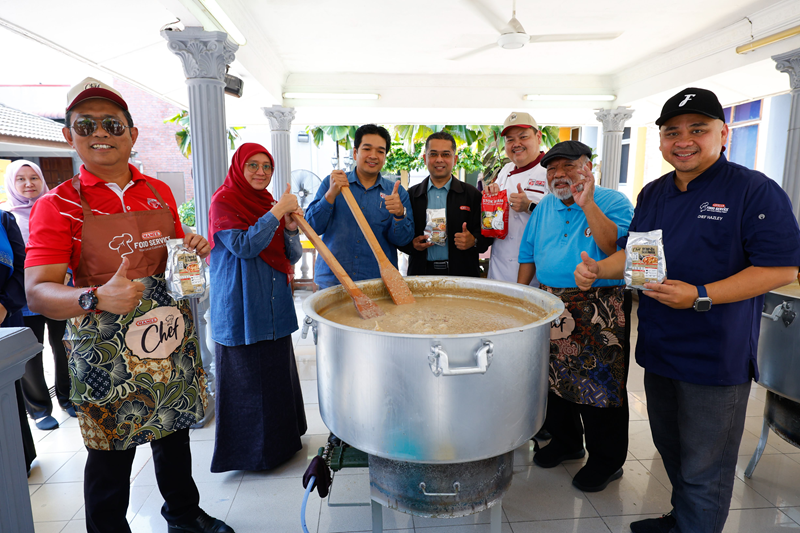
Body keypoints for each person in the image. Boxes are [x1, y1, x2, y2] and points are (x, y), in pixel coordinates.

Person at [574, 88, 800, 533]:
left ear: (723, 133)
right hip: (660, 349)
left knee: (705, 468)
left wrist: (701, 295)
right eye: (672, 131)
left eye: (698, 129)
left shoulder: (753, 190)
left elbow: (780, 268)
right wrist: (598, 269)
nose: (684, 141)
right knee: (672, 450)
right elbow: (637, 255)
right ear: (661, 139)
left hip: (714, 358)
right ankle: (681, 521)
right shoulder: (654, 192)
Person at [24, 78, 233, 533]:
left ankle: (183, 514)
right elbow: (38, 291)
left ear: (132, 134)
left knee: (174, 434)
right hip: (105, 350)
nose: (101, 132)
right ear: (69, 135)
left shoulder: (157, 191)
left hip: (166, 336)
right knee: (109, 455)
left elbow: (170, 252)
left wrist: (190, 246)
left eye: (113, 124)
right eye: (86, 124)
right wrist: (95, 296)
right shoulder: (57, 205)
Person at [517, 140, 634, 492]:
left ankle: (607, 461)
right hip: (549, 303)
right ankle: (568, 443)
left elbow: (616, 248)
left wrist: (588, 204)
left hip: (599, 304)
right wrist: (519, 298)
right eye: (552, 168)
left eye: (569, 166)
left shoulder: (614, 201)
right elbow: (528, 254)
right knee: (555, 381)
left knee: (601, 385)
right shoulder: (545, 206)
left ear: (588, 168)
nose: (559, 174)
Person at [208, 143, 307, 472]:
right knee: (248, 379)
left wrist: (290, 228)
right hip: (242, 305)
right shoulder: (224, 201)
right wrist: (278, 213)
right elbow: (244, 246)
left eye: (267, 166)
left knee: (276, 375)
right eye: (253, 165)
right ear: (239, 167)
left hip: (273, 303)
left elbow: (291, 256)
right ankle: (250, 456)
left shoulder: (267, 203)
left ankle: (283, 446)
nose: (261, 172)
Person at [2, 160, 74, 431]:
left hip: (58, 291)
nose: (28, 183)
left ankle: (68, 398)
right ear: (11, 184)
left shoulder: (57, 209)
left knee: (63, 346)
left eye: (33, 177)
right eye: (20, 179)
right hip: (23, 297)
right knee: (30, 353)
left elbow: (70, 245)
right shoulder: (7, 217)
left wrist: (67, 273)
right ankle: (40, 409)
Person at [305, 124, 414, 289]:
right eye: (367, 149)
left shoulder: (397, 193)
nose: (373, 156)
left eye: (380, 151)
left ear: (385, 156)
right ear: (355, 152)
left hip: (378, 283)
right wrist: (330, 195)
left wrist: (400, 215)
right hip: (333, 281)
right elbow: (312, 228)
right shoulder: (331, 183)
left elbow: (403, 241)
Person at [400, 131, 491, 276]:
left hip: (462, 275)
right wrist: (412, 245)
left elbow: (488, 236)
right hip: (421, 275)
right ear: (425, 158)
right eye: (433, 154)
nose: (439, 159)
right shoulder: (411, 195)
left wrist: (473, 241)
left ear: (455, 159)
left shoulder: (472, 195)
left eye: (446, 154)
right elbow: (399, 235)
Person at [486, 111, 548, 285]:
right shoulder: (505, 170)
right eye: (510, 140)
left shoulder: (551, 171)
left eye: (523, 137)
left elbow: (562, 218)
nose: (516, 144)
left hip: (532, 274)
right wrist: (492, 197)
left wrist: (529, 206)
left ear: (538, 137)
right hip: (499, 268)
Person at [0, 209, 37, 474]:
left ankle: (17, 460)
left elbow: (24, 269)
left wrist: (4, 305)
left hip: (4, 317)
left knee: (7, 394)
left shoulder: (4, 220)